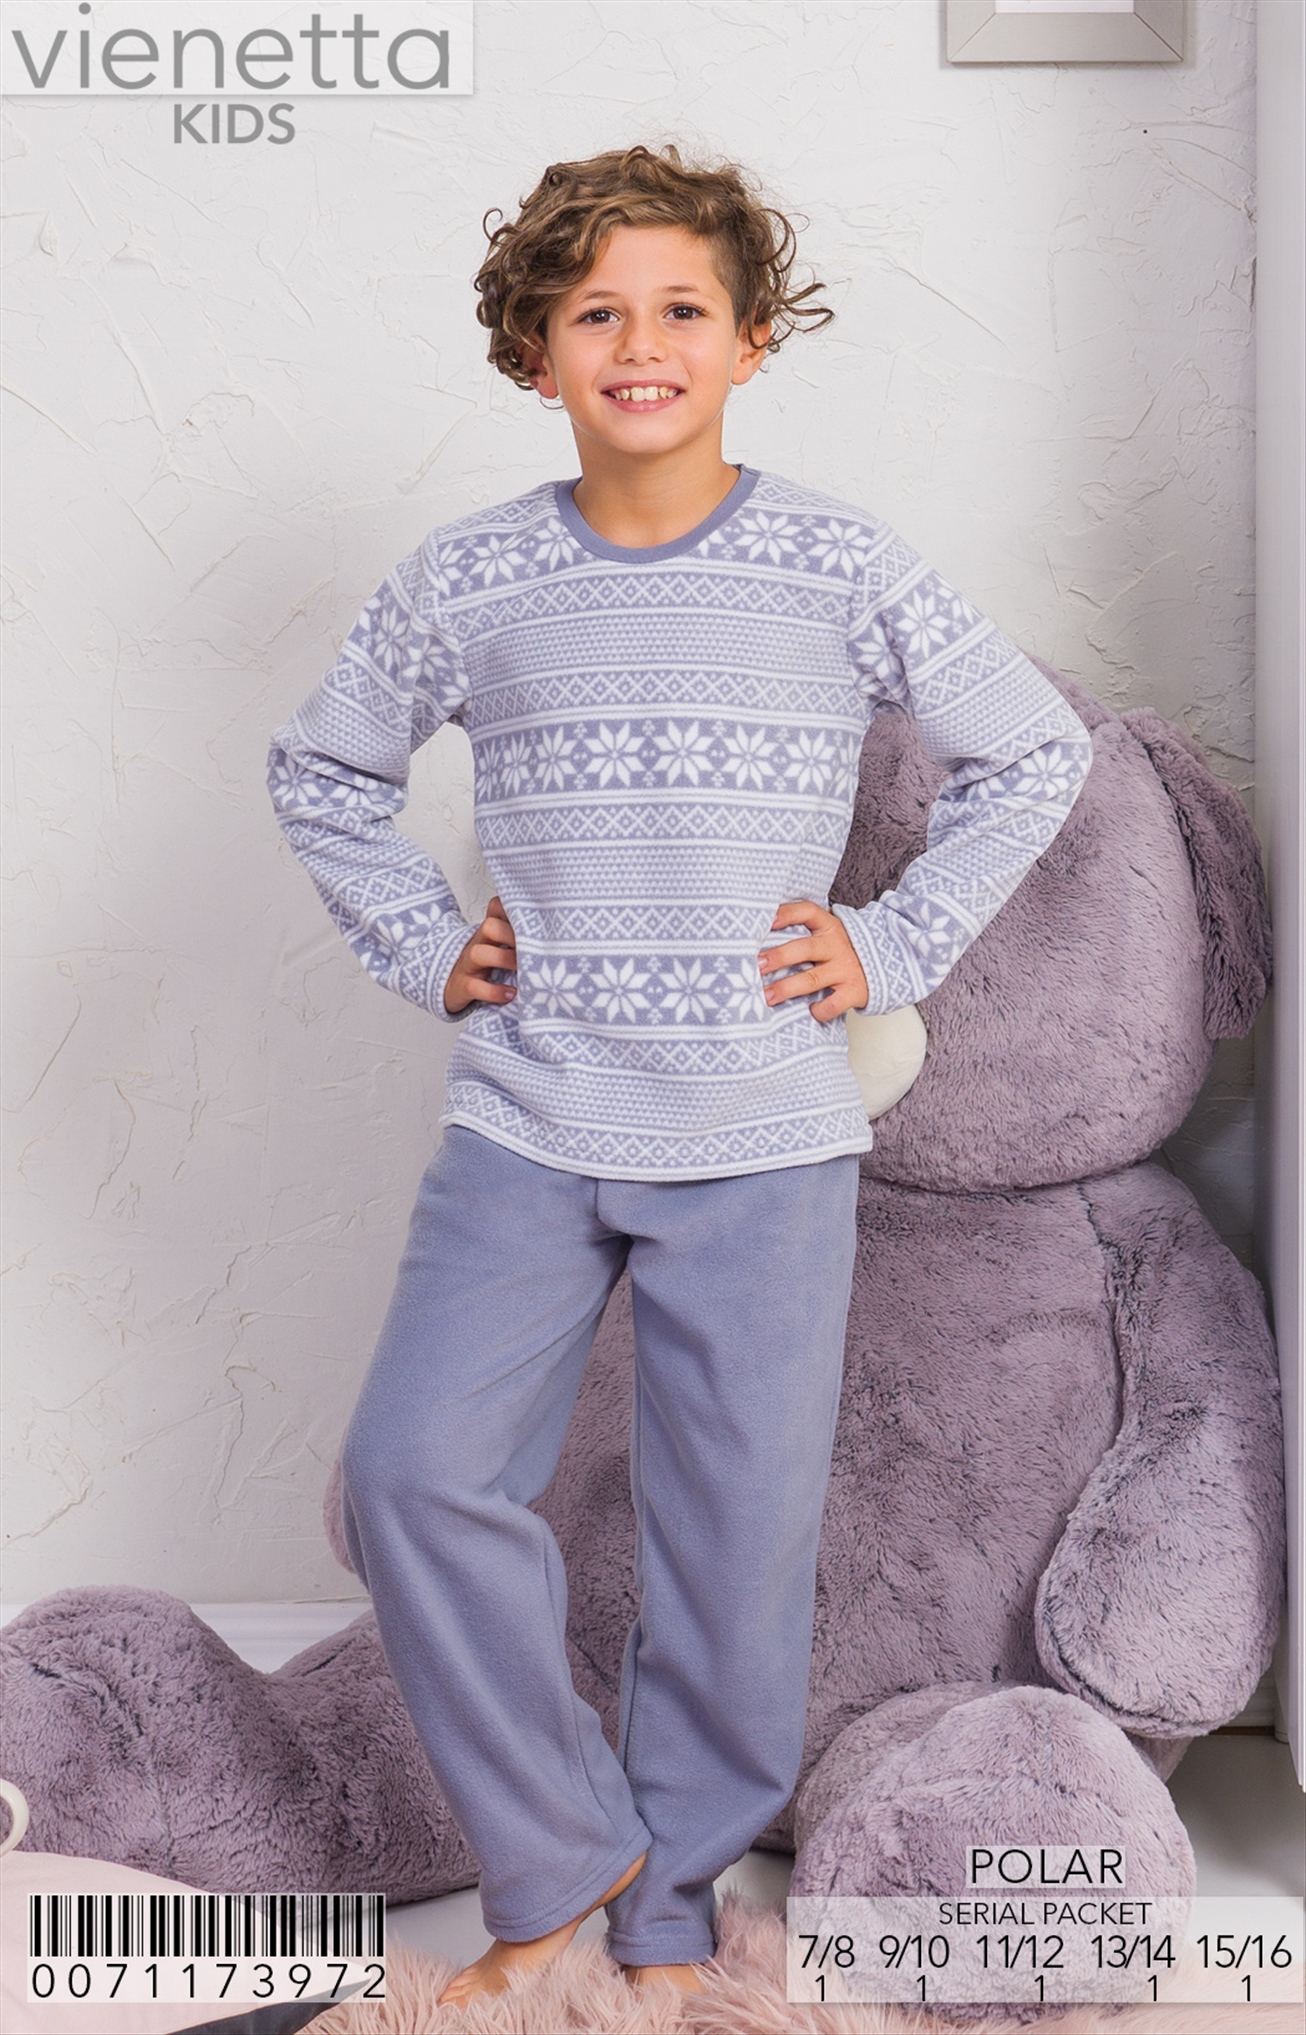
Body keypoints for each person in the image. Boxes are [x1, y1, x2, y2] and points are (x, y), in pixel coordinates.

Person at [267, 143, 1094, 2008]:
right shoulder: (471, 575)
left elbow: (1029, 750)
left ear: (748, 338)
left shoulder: (836, 560)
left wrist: (888, 943)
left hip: (763, 1130)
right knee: (413, 1472)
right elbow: (322, 770)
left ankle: (660, 1921)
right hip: (530, 1118)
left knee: (731, 1554)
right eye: (596, 313)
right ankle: (566, 1858)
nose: (640, 344)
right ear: (535, 349)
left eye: (681, 309)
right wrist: (423, 942)